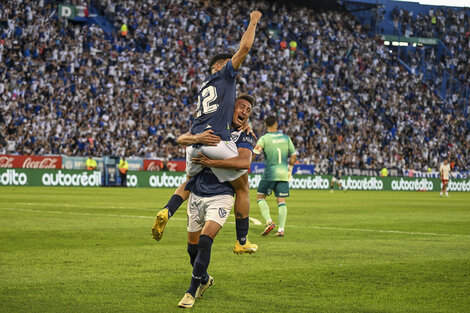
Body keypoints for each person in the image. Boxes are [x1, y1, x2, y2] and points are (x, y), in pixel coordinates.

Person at [152, 95, 258, 254]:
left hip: (194, 150)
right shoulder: (243, 133)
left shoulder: (209, 119)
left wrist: (197, 138)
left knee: (190, 181)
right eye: (242, 107)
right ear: (231, 107)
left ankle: (167, 210)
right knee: (243, 187)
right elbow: (244, 162)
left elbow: (181, 139)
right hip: (215, 153)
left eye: (248, 110)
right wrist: (213, 162)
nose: (245, 112)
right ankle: (242, 240)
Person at [177, 167, 235, 308]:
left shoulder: (229, 147)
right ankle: (205, 279)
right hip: (197, 196)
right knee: (192, 250)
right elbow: (189, 179)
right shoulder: (195, 151)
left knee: (204, 241)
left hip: (222, 195)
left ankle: (190, 292)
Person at [253, 115, 297, 237]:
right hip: (283, 174)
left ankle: (269, 222)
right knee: (281, 201)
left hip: (270, 173)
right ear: (276, 124)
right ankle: (281, 230)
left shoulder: (264, 139)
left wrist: (247, 161)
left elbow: (256, 151)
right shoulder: (286, 138)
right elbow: (293, 155)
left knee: (260, 197)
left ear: (265, 125)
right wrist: (290, 170)